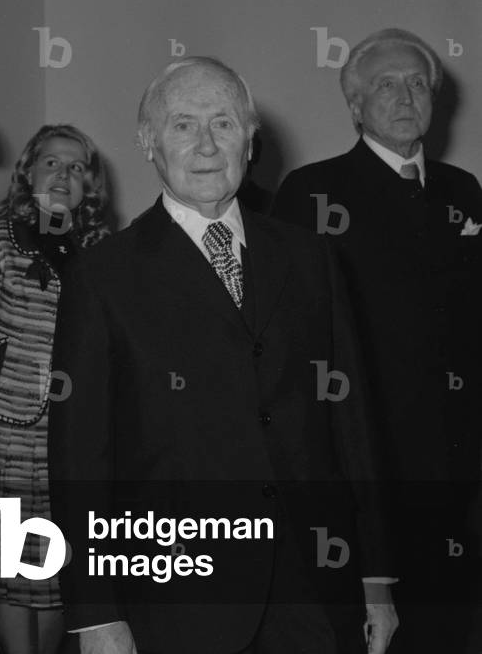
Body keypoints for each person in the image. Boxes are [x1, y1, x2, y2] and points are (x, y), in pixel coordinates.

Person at [48, 57, 397, 654]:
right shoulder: (103, 277)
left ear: (250, 139)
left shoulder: (311, 258)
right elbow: (80, 457)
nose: (207, 144)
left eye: (225, 124)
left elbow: (353, 426)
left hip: (311, 592)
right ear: (148, 144)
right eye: (183, 125)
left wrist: (376, 578)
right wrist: (95, 615)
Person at [272, 28, 482, 652]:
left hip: (459, 458)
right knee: (373, 633)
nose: (404, 96)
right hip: (366, 458)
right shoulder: (312, 191)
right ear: (356, 104)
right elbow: (291, 334)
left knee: (451, 621)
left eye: (417, 83)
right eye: (385, 85)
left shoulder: (463, 190)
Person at [0, 124, 111, 654]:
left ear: (90, 183)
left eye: (75, 167)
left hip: (73, 447)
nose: (62, 175)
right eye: (50, 163)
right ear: (27, 172)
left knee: (60, 579)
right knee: (14, 580)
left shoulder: (105, 250)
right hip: (7, 443)